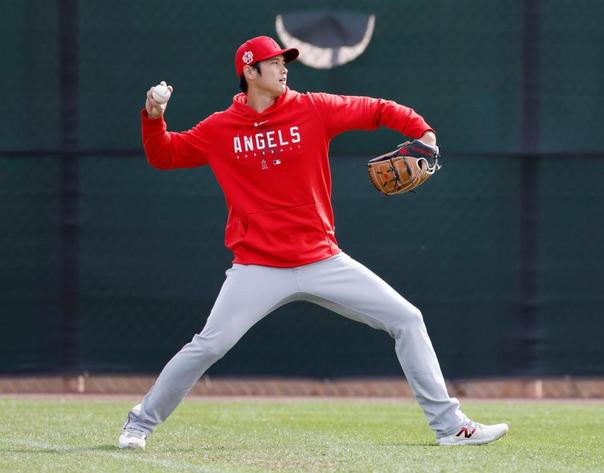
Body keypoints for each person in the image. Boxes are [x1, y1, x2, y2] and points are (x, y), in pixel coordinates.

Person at [118, 35, 508, 450]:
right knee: (209, 344)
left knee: (407, 320)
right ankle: (139, 424)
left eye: (285, 61)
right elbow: (164, 154)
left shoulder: (313, 109)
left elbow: (378, 109)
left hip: (321, 259)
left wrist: (423, 133)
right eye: (274, 62)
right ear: (250, 72)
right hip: (258, 266)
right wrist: (153, 115)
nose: (284, 68)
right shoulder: (220, 129)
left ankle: (449, 426)